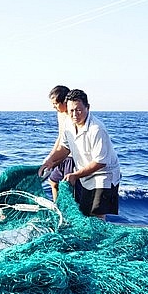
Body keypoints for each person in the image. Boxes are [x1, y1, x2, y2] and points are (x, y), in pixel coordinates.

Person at [40, 88, 121, 219]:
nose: (74, 114)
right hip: (85, 175)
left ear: (87, 107)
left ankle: (99, 237)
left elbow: (100, 162)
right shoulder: (68, 123)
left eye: (78, 110)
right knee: (84, 213)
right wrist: (50, 161)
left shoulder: (97, 129)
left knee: (96, 215)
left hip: (103, 175)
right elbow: (64, 148)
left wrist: (75, 175)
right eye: (71, 110)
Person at [39, 85, 82, 202]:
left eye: (56, 104)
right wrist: (51, 157)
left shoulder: (73, 116)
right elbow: (60, 137)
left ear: (65, 102)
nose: (53, 106)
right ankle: (57, 207)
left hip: (72, 157)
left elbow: (68, 144)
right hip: (62, 154)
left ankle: (69, 213)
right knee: (53, 181)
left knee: (68, 188)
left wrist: (52, 158)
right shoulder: (60, 113)